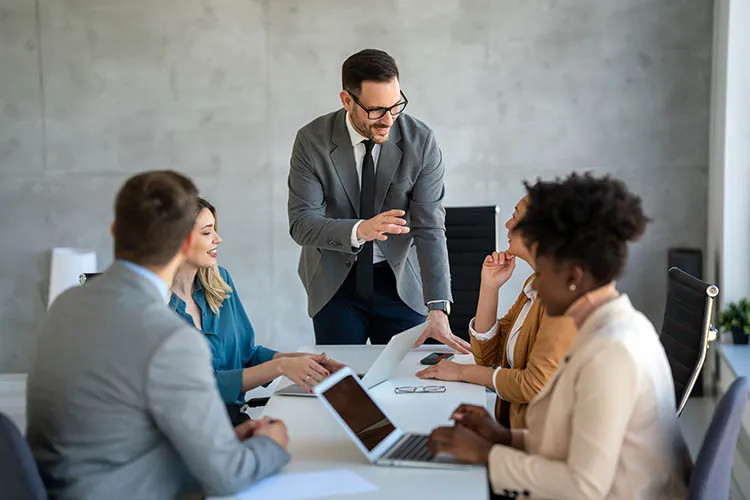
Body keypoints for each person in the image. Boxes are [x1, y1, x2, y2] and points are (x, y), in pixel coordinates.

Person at [26, 171, 291, 499]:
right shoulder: (170, 337)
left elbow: (120, 426)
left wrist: (228, 442)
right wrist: (271, 444)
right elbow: (230, 476)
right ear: (184, 243)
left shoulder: (65, 305)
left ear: (114, 232)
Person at [428, 173, 689, 499]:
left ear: (573, 277)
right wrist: (503, 438)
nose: (534, 285)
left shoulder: (611, 351)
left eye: (544, 271)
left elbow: (583, 487)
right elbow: (573, 444)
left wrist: (486, 455)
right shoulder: (610, 325)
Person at [287, 48, 470, 353]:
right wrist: (360, 230)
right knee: (344, 386)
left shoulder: (420, 140)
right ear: (347, 101)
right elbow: (302, 224)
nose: (389, 120)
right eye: (376, 111)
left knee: (405, 383)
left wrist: (438, 306)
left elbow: (430, 227)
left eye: (395, 106)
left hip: (401, 282)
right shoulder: (312, 141)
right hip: (335, 284)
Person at [170, 197, 345, 424]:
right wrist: (280, 366)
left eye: (215, 229)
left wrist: (303, 362)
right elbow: (201, 386)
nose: (218, 239)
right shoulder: (153, 308)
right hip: (189, 429)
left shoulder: (219, 282)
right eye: (207, 232)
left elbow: (247, 354)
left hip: (231, 419)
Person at [416, 196, 576, 429]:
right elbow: (489, 357)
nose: (507, 225)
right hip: (512, 428)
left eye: (515, 216)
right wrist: (489, 287)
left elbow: (533, 385)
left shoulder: (561, 297)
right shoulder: (536, 284)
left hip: (536, 437)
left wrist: (462, 371)